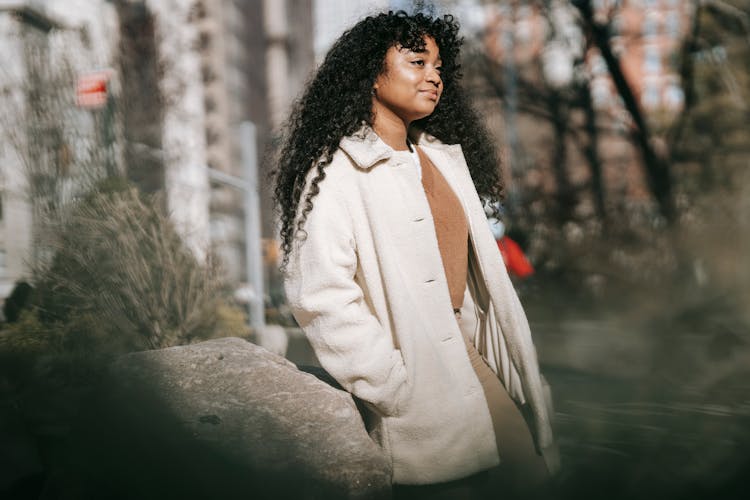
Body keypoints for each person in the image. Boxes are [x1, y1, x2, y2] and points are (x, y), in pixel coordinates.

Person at [273, 10, 558, 497]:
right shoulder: (337, 171)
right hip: (413, 373)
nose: (434, 76)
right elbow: (319, 292)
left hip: (471, 352)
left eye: (440, 67)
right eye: (417, 62)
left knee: (531, 478)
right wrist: (388, 382)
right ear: (369, 73)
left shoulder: (441, 157)